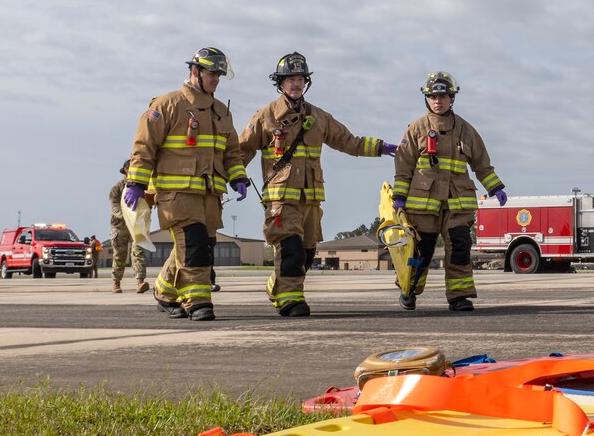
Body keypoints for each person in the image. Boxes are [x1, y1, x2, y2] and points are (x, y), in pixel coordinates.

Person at [232, 53, 397, 317]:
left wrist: (379, 147)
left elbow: (349, 141)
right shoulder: (265, 117)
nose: (296, 84)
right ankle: (289, 301)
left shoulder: (318, 117)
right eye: (290, 79)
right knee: (291, 250)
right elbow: (241, 150)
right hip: (281, 201)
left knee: (307, 256)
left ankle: (277, 284)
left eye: (300, 79)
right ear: (280, 84)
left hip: (311, 201)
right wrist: (236, 176)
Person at [122, 47, 252, 321]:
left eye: (219, 74)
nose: (216, 79)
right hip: (176, 195)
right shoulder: (167, 106)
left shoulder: (221, 112)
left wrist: (238, 176)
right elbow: (144, 147)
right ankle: (198, 301)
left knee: (200, 246)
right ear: (195, 72)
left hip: (209, 195)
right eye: (211, 73)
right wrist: (136, 183)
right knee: (193, 246)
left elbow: (232, 152)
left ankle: (165, 292)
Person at [391, 72, 505, 312]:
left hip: (457, 203)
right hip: (423, 205)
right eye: (433, 96)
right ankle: (409, 290)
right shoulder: (415, 129)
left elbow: (482, 164)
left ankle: (459, 296)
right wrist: (399, 198)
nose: (437, 101)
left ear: (452, 98)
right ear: (427, 99)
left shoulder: (466, 130)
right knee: (420, 251)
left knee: (460, 248)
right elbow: (403, 168)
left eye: (442, 96)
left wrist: (495, 187)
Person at [107, 161, 150, 294]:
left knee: (138, 253)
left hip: (138, 225)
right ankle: (116, 283)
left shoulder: (144, 187)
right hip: (120, 226)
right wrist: (125, 215)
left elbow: (148, 203)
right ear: (125, 170)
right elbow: (114, 205)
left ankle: (140, 282)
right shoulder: (118, 187)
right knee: (119, 254)